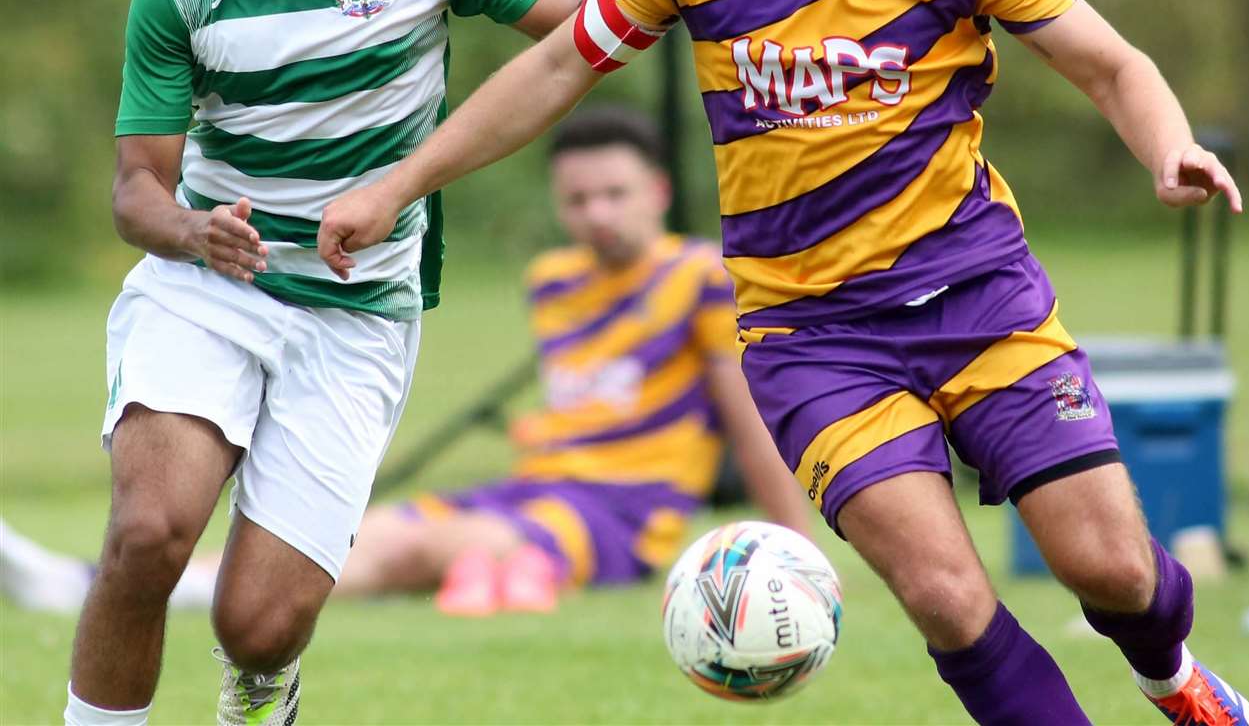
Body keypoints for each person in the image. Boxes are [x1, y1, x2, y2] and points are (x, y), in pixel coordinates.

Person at [316, 0, 1249, 726]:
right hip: (811, 335)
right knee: (947, 598)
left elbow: (1111, 65)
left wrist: (1167, 146)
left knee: (1113, 573)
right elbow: (555, 67)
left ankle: (1172, 679)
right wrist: (399, 184)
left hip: (982, 299)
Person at [64, 0, 612, 726]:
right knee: (148, 533)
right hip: (209, 288)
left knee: (258, 625)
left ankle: (263, 688)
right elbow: (137, 188)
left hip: (356, 312)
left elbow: (579, 39)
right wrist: (195, 232)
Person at [3, 107, 807, 620]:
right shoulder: (554, 280)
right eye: (578, 199)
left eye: (615, 194)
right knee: (348, 536)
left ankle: (83, 590)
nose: (596, 214)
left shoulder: (700, 277)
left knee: (427, 550)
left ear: (659, 191)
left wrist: (790, 549)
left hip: (617, 516)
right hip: (531, 487)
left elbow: (750, 412)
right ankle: (89, 582)